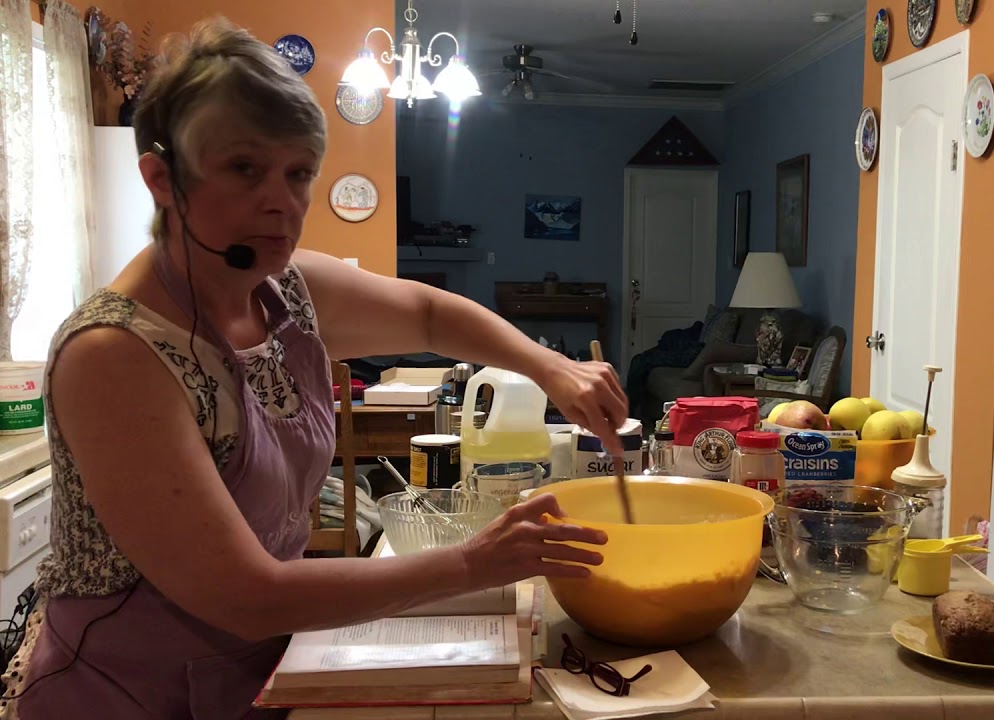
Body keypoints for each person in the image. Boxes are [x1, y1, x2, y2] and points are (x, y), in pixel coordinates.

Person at [1, 18, 627, 719]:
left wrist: (548, 365)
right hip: (129, 693)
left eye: (298, 172)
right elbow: (245, 596)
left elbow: (424, 313)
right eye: (245, 168)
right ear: (162, 180)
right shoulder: (115, 356)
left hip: (266, 666)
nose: (282, 202)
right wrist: (474, 564)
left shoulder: (285, 290)